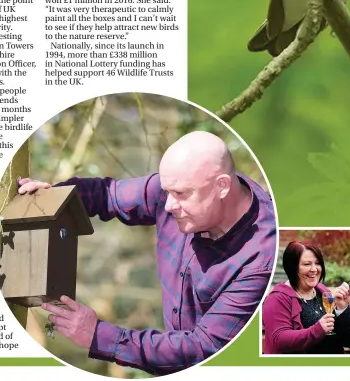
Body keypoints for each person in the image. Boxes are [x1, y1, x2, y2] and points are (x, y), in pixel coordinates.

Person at [18, 131, 277, 375]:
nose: (168, 204)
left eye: (181, 194)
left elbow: (203, 349)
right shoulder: (179, 189)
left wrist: (98, 335)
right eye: (167, 191)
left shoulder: (261, 259)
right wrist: (53, 198)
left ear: (222, 186)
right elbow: (106, 195)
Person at [261, 241, 350, 354]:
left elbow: (334, 318)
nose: (314, 269)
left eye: (317, 263)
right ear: (292, 267)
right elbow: (279, 339)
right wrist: (317, 330)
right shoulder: (277, 298)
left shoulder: (321, 290)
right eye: (307, 264)